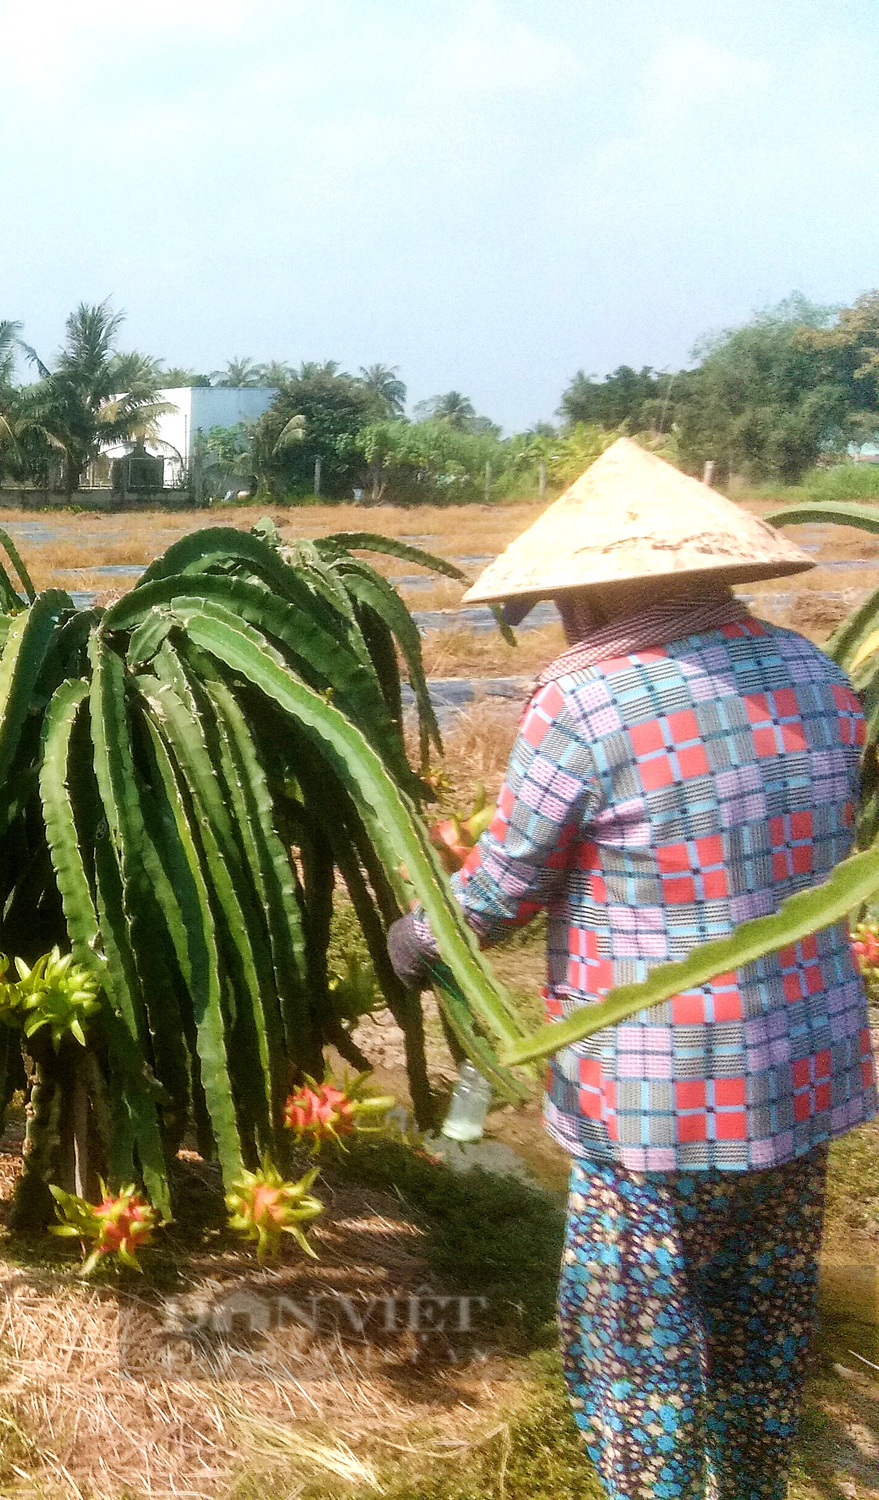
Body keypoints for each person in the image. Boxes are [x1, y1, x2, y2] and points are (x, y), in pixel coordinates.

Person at [387, 438, 876, 1500]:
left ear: (602, 589)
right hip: (802, 1070)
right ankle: (750, 1485)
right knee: (760, 1320)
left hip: (653, 1101)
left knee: (636, 1350)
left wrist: (419, 934)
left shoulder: (587, 704)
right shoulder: (817, 674)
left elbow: (506, 883)